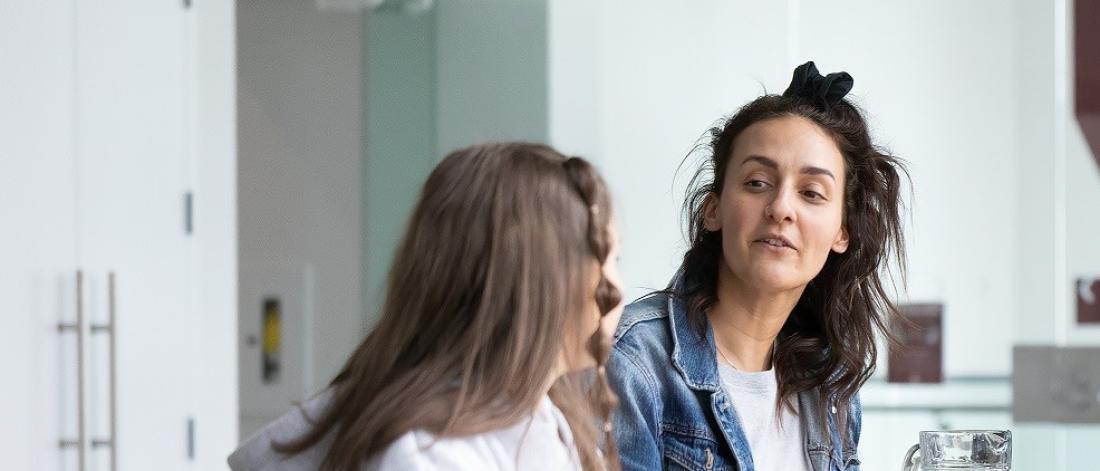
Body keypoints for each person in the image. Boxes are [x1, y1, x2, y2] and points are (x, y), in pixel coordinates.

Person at [229, 142, 624, 471]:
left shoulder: (543, 416)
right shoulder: (426, 455)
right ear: (546, 282)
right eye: (610, 262)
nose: (619, 288)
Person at [608, 62, 908, 471]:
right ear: (713, 209)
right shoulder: (634, 362)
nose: (781, 208)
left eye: (812, 192)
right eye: (756, 183)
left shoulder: (830, 388)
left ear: (842, 232)